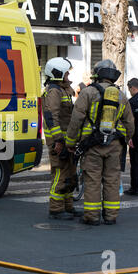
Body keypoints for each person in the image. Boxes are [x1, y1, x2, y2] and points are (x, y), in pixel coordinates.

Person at [65, 60, 135, 225]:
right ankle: (111, 216)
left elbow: (77, 119)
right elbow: (130, 122)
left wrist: (70, 142)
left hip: (92, 145)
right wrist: (125, 139)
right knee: (112, 180)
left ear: (96, 74)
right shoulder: (121, 95)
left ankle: (92, 216)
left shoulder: (87, 92)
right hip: (114, 145)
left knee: (92, 180)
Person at [41, 57, 82, 220]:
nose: (67, 76)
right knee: (60, 173)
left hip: (67, 140)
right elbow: (52, 117)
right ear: (57, 73)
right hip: (59, 141)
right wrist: (58, 140)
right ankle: (56, 209)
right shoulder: (53, 91)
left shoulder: (63, 89)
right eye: (65, 73)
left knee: (70, 173)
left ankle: (68, 206)